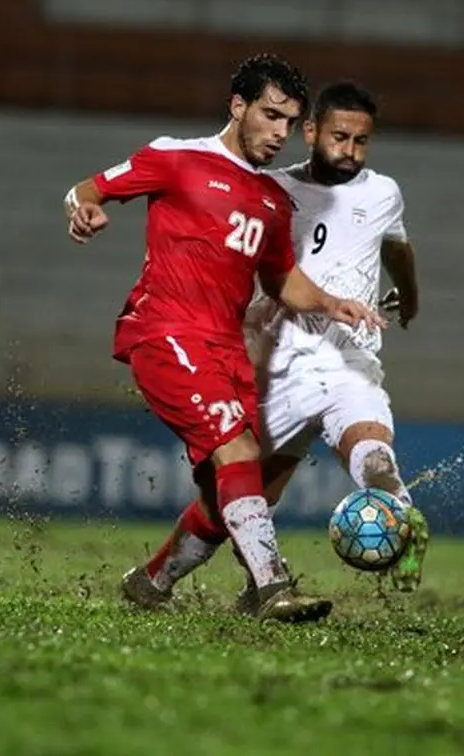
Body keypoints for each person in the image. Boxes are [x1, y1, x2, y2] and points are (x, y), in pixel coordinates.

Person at [64, 54, 385, 624]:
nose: (280, 133)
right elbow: (88, 187)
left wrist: (334, 302)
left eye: (290, 122)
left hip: (226, 350)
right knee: (236, 452)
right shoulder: (175, 158)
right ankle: (271, 587)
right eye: (270, 116)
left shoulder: (271, 199)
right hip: (165, 333)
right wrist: (83, 211)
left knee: (229, 492)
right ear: (238, 107)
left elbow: (281, 279)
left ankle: (152, 581)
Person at [122, 81, 428, 612]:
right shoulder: (269, 191)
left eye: (361, 141)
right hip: (277, 364)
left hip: (348, 359)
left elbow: (398, 246)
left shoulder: (384, 193)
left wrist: (412, 296)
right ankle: (155, 580)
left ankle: (395, 520)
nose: (350, 151)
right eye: (339, 137)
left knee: (375, 454)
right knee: (232, 503)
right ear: (309, 132)